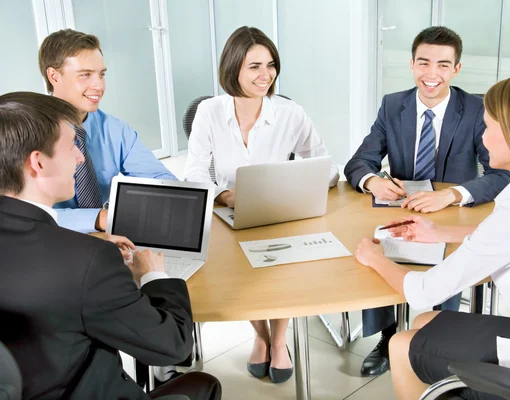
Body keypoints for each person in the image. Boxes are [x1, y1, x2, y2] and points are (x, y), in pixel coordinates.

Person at [355, 76, 510, 400]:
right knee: (428, 321)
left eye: (487, 127)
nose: (482, 138)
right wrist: (440, 232)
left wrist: (374, 257)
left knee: (401, 343)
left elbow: (424, 290)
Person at [0, 91, 222, 399]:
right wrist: (154, 276)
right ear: (37, 162)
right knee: (204, 383)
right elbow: (172, 345)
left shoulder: (80, 256)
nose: (80, 157)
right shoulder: (87, 261)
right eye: (70, 147)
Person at [344, 26, 510, 377]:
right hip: (403, 210)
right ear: (411, 64)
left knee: (442, 273)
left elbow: (502, 174)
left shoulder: (475, 109)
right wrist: (373, 180)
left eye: (442, 65)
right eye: (423, 63)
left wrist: (452, 194)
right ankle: (389, 337)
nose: (431, 74)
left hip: (452, 216)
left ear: (457, 69)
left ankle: (435, 336)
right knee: (378, 254)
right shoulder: (393, 105)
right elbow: (358, 162)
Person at [184, 26, 338, 383]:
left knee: (280, 268)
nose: (265, 75)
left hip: (277, 209)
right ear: (233, 68)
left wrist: (298, 184)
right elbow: (192, 172)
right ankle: (261, 334)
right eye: (254, 66)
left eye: (270, 65)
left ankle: (280, 340)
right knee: (241, 274)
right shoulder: (209, 111)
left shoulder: (290, 113)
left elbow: (327, 165)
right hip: (227, 210)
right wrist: (224, 195)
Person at [38, 29, 177, 233]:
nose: (99, 86)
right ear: (54, 76)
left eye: (101, 74)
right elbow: (22, 212)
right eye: (85, 75)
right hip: (49, 244)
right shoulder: (26, 132)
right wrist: (99, 218)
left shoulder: (115, 129)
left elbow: (162, 182)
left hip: (110, 240)